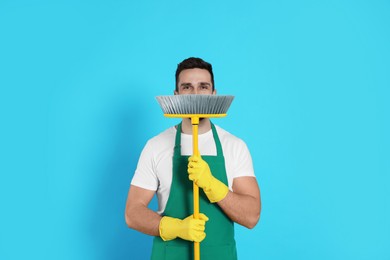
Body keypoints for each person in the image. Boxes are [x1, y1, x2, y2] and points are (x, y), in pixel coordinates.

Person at [125, 57, 261, 260]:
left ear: (213, 94)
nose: (195, 94)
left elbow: (251, 216)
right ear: (176, 94)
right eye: (187, 87)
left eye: (203, 87)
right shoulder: (156, 146)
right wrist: (175, 227)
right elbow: (133, 213)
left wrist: (213, 186)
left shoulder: (234, 146)